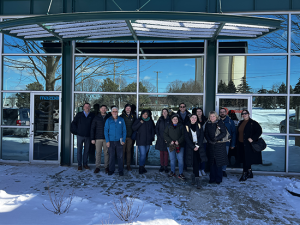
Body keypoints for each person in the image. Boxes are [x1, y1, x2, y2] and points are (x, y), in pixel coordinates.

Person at [236, 109, 262, 182]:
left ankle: (245, 174)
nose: (244, 115)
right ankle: (250, 172)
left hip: (248, 145)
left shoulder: (253, 123)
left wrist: (253, 138)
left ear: (249, 114)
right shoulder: (241, 122)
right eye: (243, 114)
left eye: (245, 113)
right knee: (245, 158)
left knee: (246, 159)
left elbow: (259, 131)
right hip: (241, 143)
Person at [205, 111, 229, 184]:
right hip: (211, 145)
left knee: (218, 163)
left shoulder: (220, 123)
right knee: (212, 163)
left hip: (219, 145)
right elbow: (206, 133)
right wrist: (209, 140)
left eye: (213, 116)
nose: (212, 117)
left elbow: (224, 133)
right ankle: (212, 178)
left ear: (216, 117)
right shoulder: (208, 124)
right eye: (211, 116)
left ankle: (218, 179)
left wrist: (216, 139)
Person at [185, 114, 207, 189]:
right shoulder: (187, 126)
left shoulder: (199, 125)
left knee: (197, 162)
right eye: (192, 117)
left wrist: (197, 146)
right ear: (190, 118)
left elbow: (201, 136)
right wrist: (193, 146)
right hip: (190, 148)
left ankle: (195, 178)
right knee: (194, 163)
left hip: (199, 147)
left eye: (195, 118)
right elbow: (186, 138)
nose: (194, 119)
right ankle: (196, 179)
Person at [71, 103, 95, 171]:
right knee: (79, 150)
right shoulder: (79, 114)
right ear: (83, 107)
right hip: (80, 135)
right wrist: (77, 131)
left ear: (90, 107)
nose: (87, 107)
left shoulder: (92, 115)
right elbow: (73, 123)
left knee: (86, 151)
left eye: (88, 106)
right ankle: (79, 165)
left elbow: (94, 126)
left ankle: (85, 164)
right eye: (85, 106)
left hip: (88, 136)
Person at [104, 107, 126, 176]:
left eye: (116, 111)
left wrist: (123, 140)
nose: (115, 112)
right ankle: (111, 169)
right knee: (111, 156)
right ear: (111, 112)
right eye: (113, 111)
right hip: (111, 141)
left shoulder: (121, 120)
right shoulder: (108, 120)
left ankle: (120, 170)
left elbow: (124, 130)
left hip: (119, 141)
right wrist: (107, 141)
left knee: (120, 156)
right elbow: (105, 131)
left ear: (118, 112)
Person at [132, 109, 155, 174]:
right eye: (144, 114)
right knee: (143, 154)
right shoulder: (138, 120)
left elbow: (153, 130)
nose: (145, 115)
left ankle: (143, 167)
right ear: (141, 114)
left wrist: (152, 138)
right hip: (140, 140)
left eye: (146, 114)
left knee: (145, 154)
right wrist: (140, 123)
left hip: (148, 141)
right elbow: (133, 128)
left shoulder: (150, 121)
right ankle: (141, 167)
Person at [164, 114, 186, 180]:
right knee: (172, 159)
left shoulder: (181, 126)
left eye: (176, 119)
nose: (175, 120)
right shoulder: (168, 126)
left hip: (179, 145)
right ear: (171, 120)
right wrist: (170, 141)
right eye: (174, 119)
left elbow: (184, 135)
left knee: (180, 160)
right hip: (171, 145)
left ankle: (181, 173)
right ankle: (172, 172)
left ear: (178, 120)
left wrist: (178, 141)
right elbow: (165, 134)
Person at [90, 104, 110, 174]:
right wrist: (92, 138)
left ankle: (106, 167)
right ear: (100, 109)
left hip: (106, 139)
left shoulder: (109, 117)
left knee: (106, 153)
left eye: (105, 108)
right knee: (98, 153)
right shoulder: (96, 117)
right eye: (102, 108)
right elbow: (92, 128)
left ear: (106, 110)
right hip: (98, 138)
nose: (103, 109)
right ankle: (97, 167)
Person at [219, 107, 236, 177]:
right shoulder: (217, 120)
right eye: (221, 112)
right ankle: (218, 170)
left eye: (223, 112)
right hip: (218, 142)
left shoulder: (230, 121)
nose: (222, 113)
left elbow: (234, 133)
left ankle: (223, 170)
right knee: (218, 156)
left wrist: (233, 144)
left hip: (226, 142)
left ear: (226, 113)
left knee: (225, 157)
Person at [120, 104, 136, 171]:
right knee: (122, 151)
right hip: (122, 137)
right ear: (125, 109)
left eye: (129, 108)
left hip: (130, 137)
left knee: (129, 151)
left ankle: (128, 165)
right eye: (127, 108)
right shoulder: (121, 116)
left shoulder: (134, 116)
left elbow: (135, 125)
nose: (128, 109)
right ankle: (122, 164)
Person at [192, 107, 208, 176]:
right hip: (196, 141)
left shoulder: (205, 120)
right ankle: (197, 169)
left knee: (203, 155)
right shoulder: (194, 120)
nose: (199, 113)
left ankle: (202, 169)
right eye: (197, 111)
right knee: (197, 156)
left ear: (202, 112)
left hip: (204, 140)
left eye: (200, 111)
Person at [155, 108, 171, 173]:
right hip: (160, 139)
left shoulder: (170, 120)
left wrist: (169, 138)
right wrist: (158, 136)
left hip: (168, 139)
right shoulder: (160, 120)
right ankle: (162, 166)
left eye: (165, 112)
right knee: (161, 153)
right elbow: (156, 128)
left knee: (166, 153)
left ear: (167, 113)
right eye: (163, 112)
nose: (164, 113)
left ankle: (166, 166)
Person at [177, 103, 191, 170]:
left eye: (183, 107)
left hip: (187, 136)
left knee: (186, 151)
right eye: (181, 107)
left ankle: (185, 165)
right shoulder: (176, 115)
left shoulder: (189, 115)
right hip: (178, 136)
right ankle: (179, 165)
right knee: (178, 151)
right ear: (179, 108)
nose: (182, 108)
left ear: (185, 107)